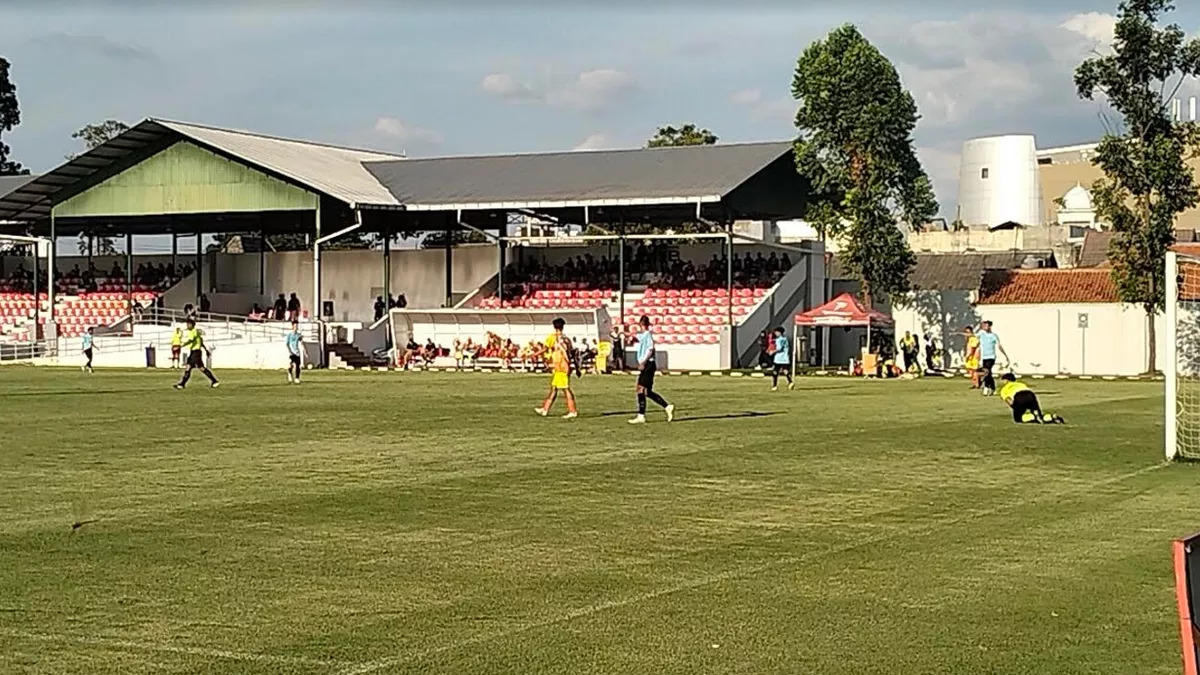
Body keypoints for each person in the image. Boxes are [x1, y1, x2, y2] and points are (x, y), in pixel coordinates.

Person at [629, 315, 674, 424]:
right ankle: (667, 406)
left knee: (640, 389)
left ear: (641, 324)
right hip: (647, 364)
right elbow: (636, 337)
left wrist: (643, 362)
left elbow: (651, 349)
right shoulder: (644, 335)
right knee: (647, 392)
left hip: (648, 365)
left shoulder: (648, 336)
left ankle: (641, 415)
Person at [534, 317, 578, 419]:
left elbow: (545, 348)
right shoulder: (567, 339)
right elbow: (572, 352)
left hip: (561, 366)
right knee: (554, 388)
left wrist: (533, 355)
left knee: (565, 389)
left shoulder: (553, 337)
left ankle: (572, 411)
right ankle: (545, 409)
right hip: (564, 366)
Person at [998, 373, 1064, 424]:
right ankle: (1051, 417)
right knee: (1039, 415)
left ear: (1006, 380)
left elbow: (1008, 400)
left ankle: (1033, 416)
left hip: (1019, 396)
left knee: (1018, 419)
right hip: (1030, 395)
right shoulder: (1021, 384)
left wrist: (1017, 408)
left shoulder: (1004, 389)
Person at [174, 318, 219, 389]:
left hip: (196, 353)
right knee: (198, 368)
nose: (187, 325)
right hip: (194, 352)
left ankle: (182, 384)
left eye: (189, 324)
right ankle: (214, 381)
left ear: (192, 325)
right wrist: (206, 350)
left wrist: (180, 346)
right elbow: (200, 341)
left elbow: (191, 340)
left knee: (193, 367)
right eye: (187, 324)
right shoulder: (195, 332)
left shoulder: (193, 331)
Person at [977, 320, 1008, 396]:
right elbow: (972, 335)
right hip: (984, 357)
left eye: (986, 326)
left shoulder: (993, 336)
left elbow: (999, 346)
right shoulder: (981, 334)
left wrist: (1005, 356)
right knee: (988, 373)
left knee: (986, 372)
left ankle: (986, 388)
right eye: (984, 326)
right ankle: (993, 387)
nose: (985, 327)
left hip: (991, 357)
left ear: (990, 326)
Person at [768, 327, 794, 391]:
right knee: (785, 371)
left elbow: (779, 348)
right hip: (785, 358)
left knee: (775, 372)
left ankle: (774, 386)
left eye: (776, 332)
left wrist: (772, 351)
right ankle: (790, 382)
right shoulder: (785, 339)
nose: (775, 333)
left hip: (779, 358)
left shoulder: (779, 339)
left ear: (780, 332)